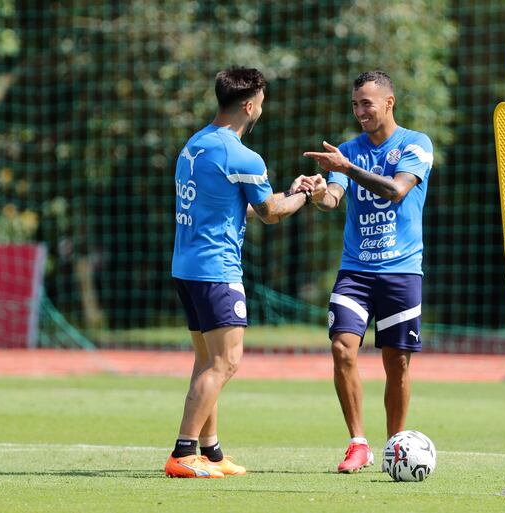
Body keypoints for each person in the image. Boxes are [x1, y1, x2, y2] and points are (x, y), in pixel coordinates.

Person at [166, 66, 326, 478]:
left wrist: (289, 192)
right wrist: (304, 195)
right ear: (250, 106)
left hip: (187, 267)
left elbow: (240, 207)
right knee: (226, 363)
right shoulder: (242, 155)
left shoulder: (195, 145)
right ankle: (183, 454)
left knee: (207, 363)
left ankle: (211, 452)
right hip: (216, 270)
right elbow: (270, 213)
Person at [303, 70, 434, 473]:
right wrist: (319, 190)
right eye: (355, 104)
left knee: (397, 364)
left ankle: (396, 445)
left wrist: (347, 167)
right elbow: (333, 200)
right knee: (343, 348)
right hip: (355, 271)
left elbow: (396, 190)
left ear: (389, 102)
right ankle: (358, 443)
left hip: (401, 272)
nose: (360, 111)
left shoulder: (416, 144)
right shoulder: (347, 150)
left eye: (367, 103)